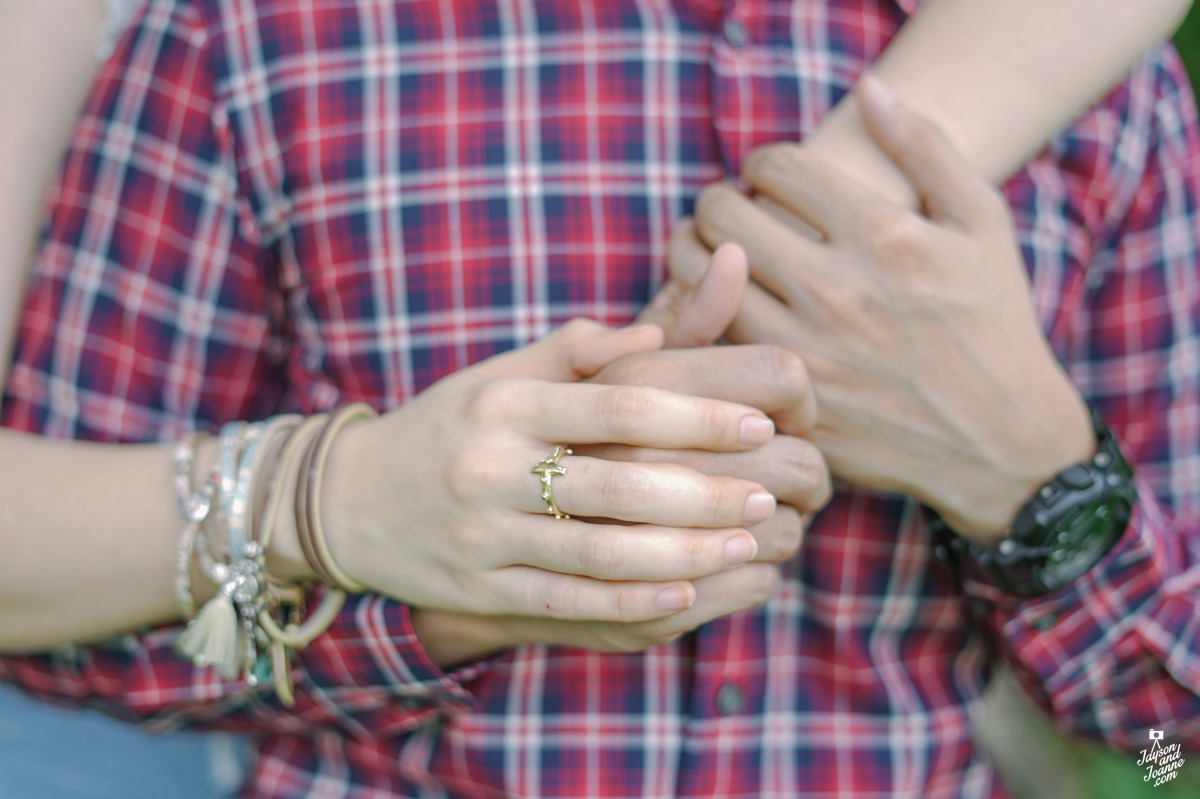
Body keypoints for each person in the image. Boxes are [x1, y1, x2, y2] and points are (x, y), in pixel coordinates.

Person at [0, 0, 1197, 796]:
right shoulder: (260, 36)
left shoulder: (1097, 94)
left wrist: (1032, 480)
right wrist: (409, 601)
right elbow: (56, 644)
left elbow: (1159, 757)